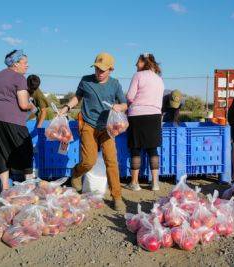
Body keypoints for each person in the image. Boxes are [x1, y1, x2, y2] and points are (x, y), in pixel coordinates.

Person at [59, 52, 127, 211]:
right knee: (89, 161)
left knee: (111, 160)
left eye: (102, 70)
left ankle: (116, 196)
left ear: (111, 69)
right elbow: (77, 97)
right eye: (97, 69)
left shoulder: (115, 84)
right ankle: (76, 173)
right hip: (88, 125)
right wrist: (67, 107)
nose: (99, 73)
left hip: (107, 128)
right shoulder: (85, 80)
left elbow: (124, 104)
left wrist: (120, 107)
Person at [0, 50, 36, 191]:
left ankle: (5, 189)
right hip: (10, 118)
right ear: (16, 64)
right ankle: (29, 187)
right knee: (25, 149)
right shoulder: (19, 78)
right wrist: (32, 106)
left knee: (0, 151)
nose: (27, 66)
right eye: (25, 63)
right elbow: (24, 104)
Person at [125, 53, 165, 191]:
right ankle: (155, 183)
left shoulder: (138, 75)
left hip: (137, 116)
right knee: (152, 149)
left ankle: (134, 183)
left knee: (135, 149)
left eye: (138, 62)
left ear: (144, 62)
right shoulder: (159, 79)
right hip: (154, 116)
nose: (136, 65)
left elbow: (130, 96)